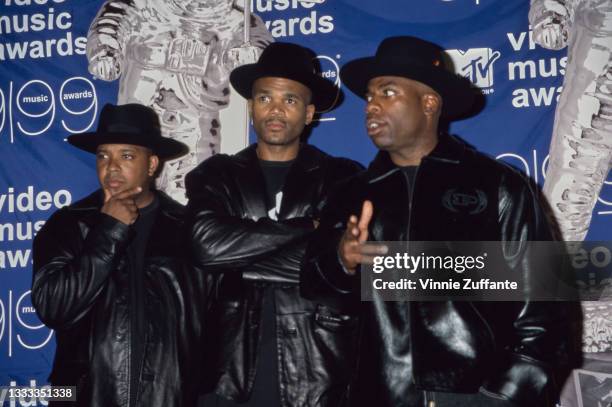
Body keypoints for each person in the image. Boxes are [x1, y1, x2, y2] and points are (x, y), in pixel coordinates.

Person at [302, 36, 576, 407]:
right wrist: (341, 260)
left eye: (388, 92)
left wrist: (505, 395)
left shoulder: (498, 186)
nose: (372, 106)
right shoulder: (350, 194)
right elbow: (314, 290)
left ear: (429, 103)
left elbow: (544, 309)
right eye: (369, 96)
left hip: (477, 395)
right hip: (381, 395)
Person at [185, 42, 363, 406]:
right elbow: (205, 247)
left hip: (318, 370)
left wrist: (239, 264)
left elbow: (339, 265)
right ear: (251, 107)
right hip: (227, 370)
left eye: (290, 100)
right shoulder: (217, 174)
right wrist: (306, 229)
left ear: (310, 112)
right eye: (265, 98)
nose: (276, 110)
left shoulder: (342, 177)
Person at [32, 103, 203, 407]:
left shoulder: (188, 228)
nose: (111, 167)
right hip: (86, 397)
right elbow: (53, 307)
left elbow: (216, 321)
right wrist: (109, 230)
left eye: (126, 156)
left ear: (151, 164)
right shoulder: (70, 223)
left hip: (170, 397)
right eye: (103, 156)